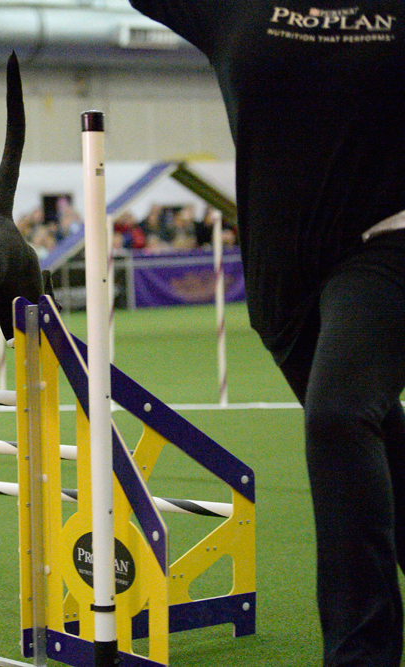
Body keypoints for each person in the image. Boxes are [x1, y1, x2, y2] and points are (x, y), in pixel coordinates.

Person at [127, 3, 405, 665]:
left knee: (339, 414)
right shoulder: (234, 7)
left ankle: (361, 651)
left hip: (388, 243)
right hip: (280, 274)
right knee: (367, 428)